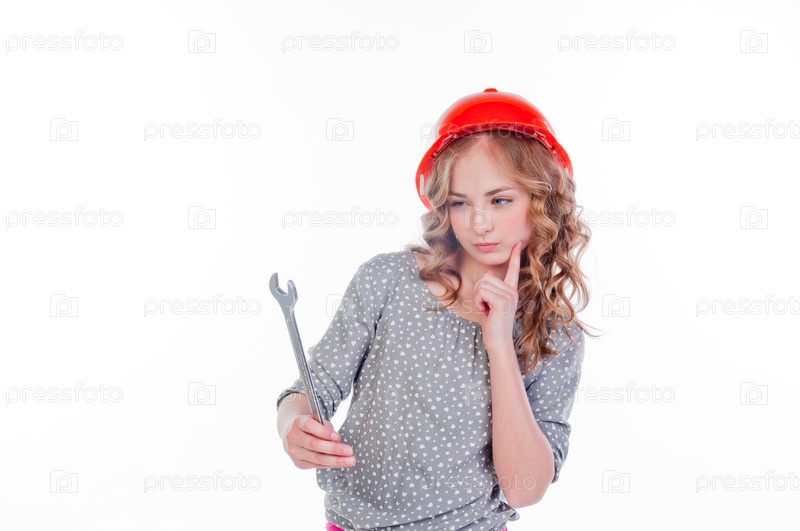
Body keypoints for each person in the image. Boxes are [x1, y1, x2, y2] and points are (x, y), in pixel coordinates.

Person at [276, 88, 597, 531]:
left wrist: (500, 345)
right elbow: (314, 389)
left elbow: (524, 488)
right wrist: (293, 424)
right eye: (460, 202)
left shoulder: (554, 332)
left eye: (500, 200)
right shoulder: (388, 280)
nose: (479, 223)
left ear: (542, 199)